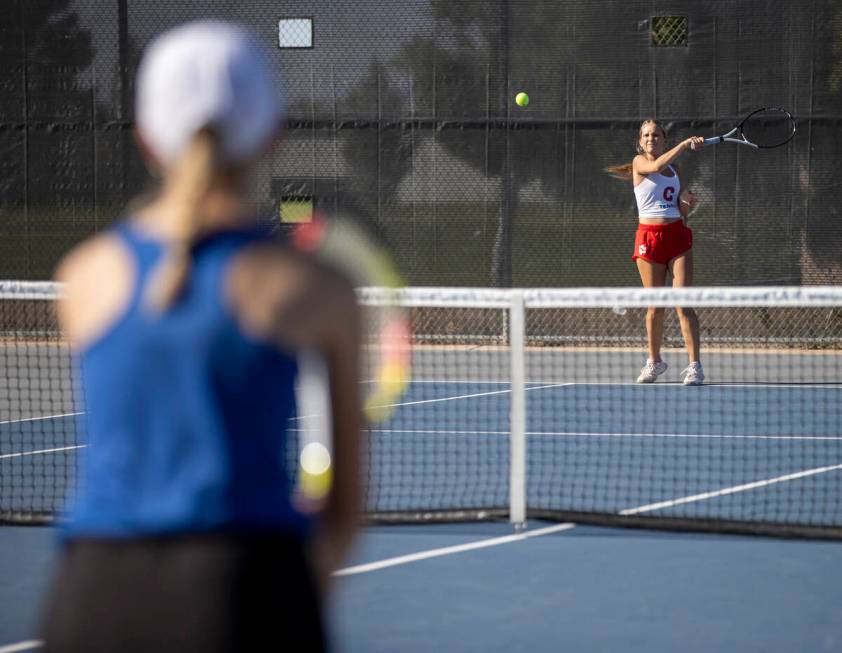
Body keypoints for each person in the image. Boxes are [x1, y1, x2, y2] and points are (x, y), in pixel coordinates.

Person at [41, 21, 362, 652]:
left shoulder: (81, 278)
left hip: (91, 599)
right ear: (273, 134)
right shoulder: (316, 289)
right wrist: (291, 598)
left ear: (145, 138)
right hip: (246, 586)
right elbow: (345, 507)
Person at [607, 120, 705, 386]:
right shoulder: (640, 162)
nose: (651, 138)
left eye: (656, 134)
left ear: (664, 139)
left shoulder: (676, 170)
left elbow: (681, 209)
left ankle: (694, 366)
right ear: (641, 142)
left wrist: (687, 203)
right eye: (646, 135)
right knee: (655, 306)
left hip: (677, 237)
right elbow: (655, 167)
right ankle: (654, 361)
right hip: (649, 240)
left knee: (683, 303)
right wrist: (685, 144)